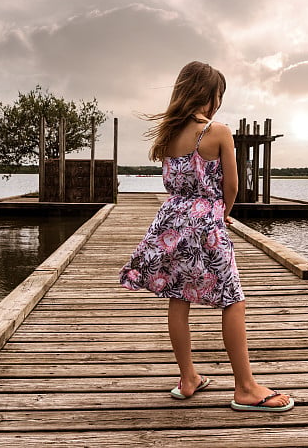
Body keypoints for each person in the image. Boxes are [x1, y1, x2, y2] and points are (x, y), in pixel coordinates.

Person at [119, 61, 294, 412]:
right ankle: (245, 387)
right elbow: (231, 185)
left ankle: (188, 378)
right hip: (206, 222)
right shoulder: (218, 132)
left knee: (178, 297)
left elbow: (173, 182)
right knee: (232, 299)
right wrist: (224, 211)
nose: (219, 103)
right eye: (219, 95)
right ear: (208, 96)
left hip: (170, 223)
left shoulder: (168, 134)